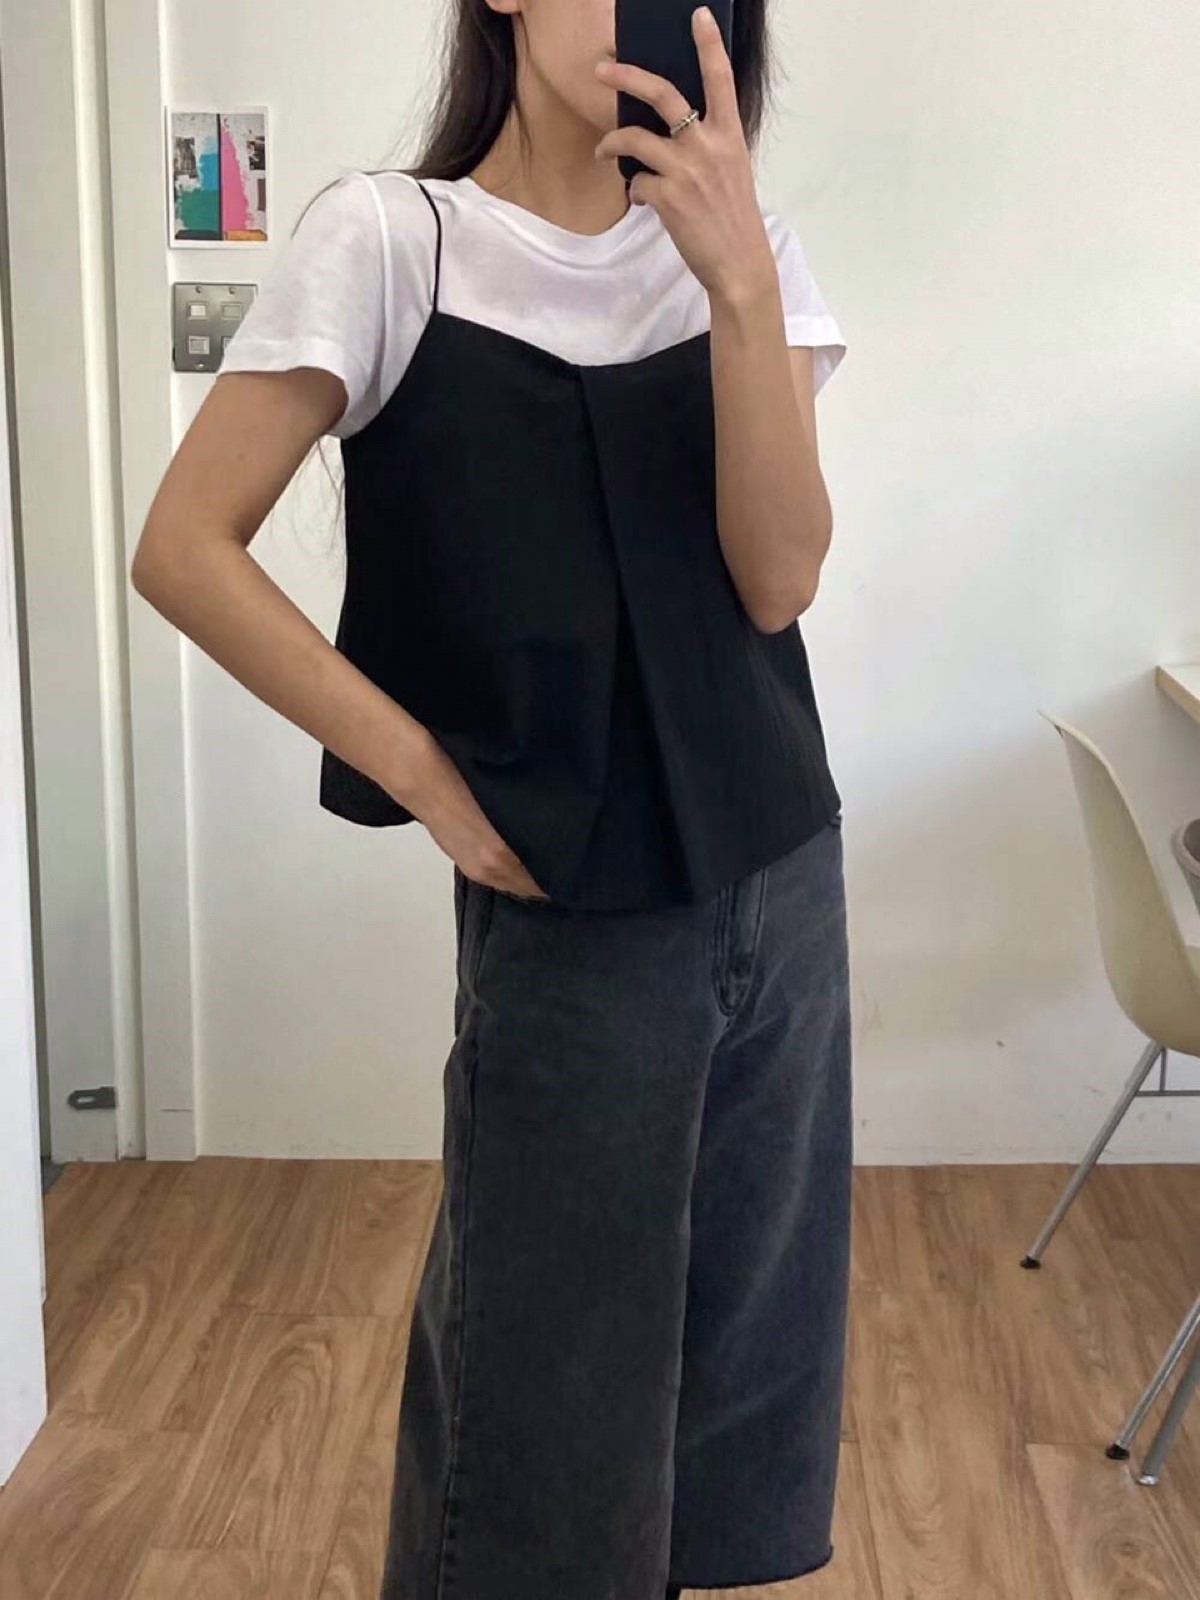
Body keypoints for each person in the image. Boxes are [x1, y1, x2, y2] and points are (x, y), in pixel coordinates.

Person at [132, 2, 853, 1596]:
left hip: (784, 886)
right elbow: (183, 548)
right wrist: (424, 777)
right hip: (572, 920)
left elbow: (777, 578)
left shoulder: (750, 256)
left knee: (735, 1399)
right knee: (537, 1430)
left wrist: (738, 283)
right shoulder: (395, 242)